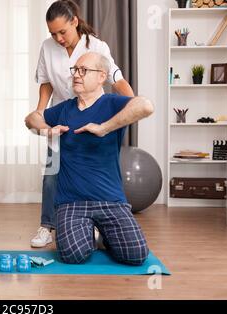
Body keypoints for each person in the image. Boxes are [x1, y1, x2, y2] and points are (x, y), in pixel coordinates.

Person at [25, 52, 153, 265]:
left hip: (110, 200)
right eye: (74, 70)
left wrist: (104, 128)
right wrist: (47, 130)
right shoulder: (65, 108)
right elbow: (31, 118)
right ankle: (89, 232)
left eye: (83, 70)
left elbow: (146, 106)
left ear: (102, 76)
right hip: (71, 202)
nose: (76, 75)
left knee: (136, 255)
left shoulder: (112, 103)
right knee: (73, 254)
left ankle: (102, 233)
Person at [31, 0, 135, 248]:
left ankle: (99, 223)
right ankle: (47, 225)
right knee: (52, 174)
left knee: (97, 171)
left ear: (74, 22)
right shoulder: (47, 47)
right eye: (53, 33)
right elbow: (45, 82)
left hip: (92, 113)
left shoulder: (97, 46)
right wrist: (40, 113)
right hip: (63, 115)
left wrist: (132, 104)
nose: (58, 38)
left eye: (62, 32)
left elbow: (115, 78)